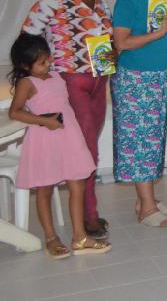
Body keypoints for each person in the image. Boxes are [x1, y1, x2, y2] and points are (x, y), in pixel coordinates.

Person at [22, 0, 113, 239]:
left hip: (99, 81)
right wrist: (39, 72)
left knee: (89, 144)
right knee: (86, 147)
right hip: (70, 81)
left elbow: (108, 41)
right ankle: (88, 215)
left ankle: (86, 210)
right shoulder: (54, 0)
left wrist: (113, 55)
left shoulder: (102, 4)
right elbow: (27, 38)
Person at [7, 34, 111, 258]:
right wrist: (43, 121)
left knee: (77, 183)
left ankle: (79, 236)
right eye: (41, 62)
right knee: (45, 189)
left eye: (48, 59)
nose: (48, 64)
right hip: (45, 138)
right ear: (25, 65)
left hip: (68, 135)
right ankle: (51, 237)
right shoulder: (27, 83)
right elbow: (14, 112)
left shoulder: (56, 76)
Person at [110, 0, 167, 226]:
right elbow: (121, 42)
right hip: (136, 80)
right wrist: (158, 32)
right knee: (140, 142)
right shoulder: (127, 0)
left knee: (154, 140)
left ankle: (145, 199)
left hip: (160, 77)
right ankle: (147, 209)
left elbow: (165, 43)